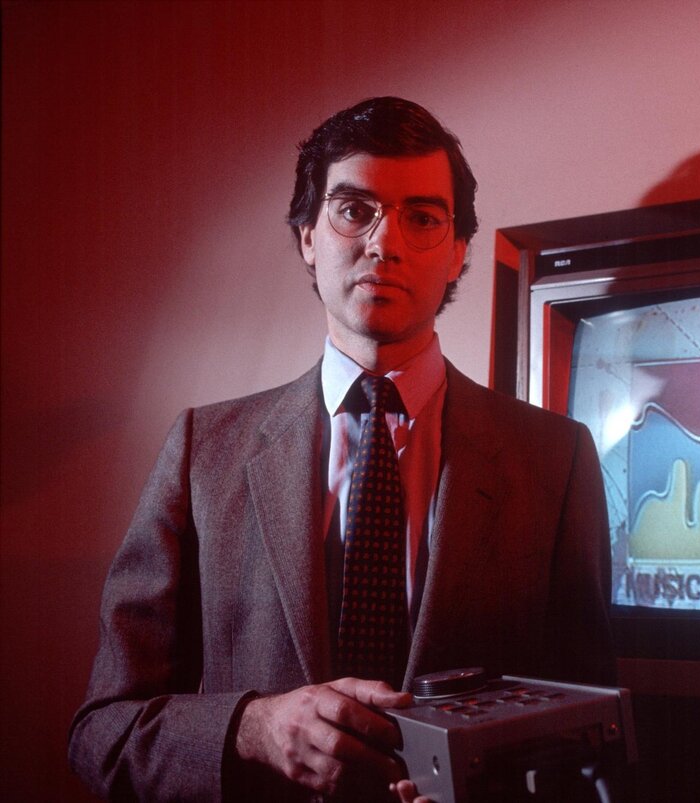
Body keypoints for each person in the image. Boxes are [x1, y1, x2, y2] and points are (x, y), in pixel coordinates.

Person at [68, 97, 615, 802]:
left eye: (423, 217)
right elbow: (102, 731)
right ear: (307, 236)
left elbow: (595, 741)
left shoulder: (555, 460)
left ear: (458, 252)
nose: (385, 244)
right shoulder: (203, 452)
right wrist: (252, 728)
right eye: (355, 210)